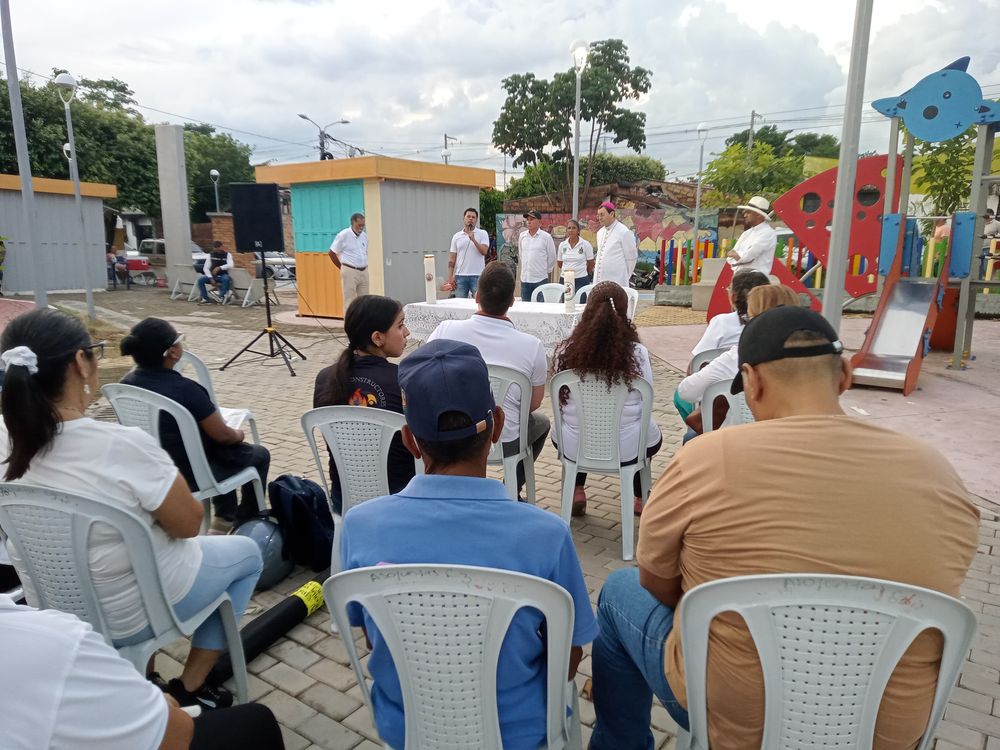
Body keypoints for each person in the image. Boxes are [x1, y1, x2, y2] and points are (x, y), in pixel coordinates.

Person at [589, 306, 979, 750]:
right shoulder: (939, 475)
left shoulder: (704, 459)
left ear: (752, 382)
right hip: (882, 731)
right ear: (846, 374)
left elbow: (655, 581)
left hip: (734, 717)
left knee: (620, 592)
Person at [339, 338, 598, 750]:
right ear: (496, 425)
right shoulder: (546, 535)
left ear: (409, 439)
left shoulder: (360, 525)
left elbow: (371, 636)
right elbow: (567, 658)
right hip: (519, 733)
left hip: (407, 728)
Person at [0, 309, 263, 710]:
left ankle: (149, 677)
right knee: (248, 555)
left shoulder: (7, 445)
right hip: (133, 613)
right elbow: (190, 525)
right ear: (79, 363)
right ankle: (190, 688)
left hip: (53, 604)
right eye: (95, 352)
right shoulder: (121, 445)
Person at [1, 593, 285, 749]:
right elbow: (176, 736)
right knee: (247, 557)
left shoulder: (12, 491)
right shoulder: (54, 643)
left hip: (62, 593)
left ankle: (155, 685)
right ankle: (191, 686)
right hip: (130, 607)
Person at [120, 318, 271, 533]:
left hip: (153, 468)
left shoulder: (125, 386)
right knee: (257, 454)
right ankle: (246, 521)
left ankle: (224, 515)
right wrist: (239, 433)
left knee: (218, 452)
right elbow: (223, 436)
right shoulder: (187, 390)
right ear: (172, 352)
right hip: (191, 475)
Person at [428, 262, 548, 498]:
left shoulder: (445, 331)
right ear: (512, 301)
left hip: (451, 435)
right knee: (541, 422)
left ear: (477, 296)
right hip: (505, 439)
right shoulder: (532, 346)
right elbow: (531, 405)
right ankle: (510, 489)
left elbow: (424, 376)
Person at [552, 281, 661, 518]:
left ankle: (576, 490)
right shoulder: (637, 354)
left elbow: (560, 404)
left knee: (572, 426)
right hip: (627, 448)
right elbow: (647, 400)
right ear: (624, 313)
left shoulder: (567, 351)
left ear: (588, 310)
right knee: (649, 433)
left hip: (574, 444)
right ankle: (640, 496)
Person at [313, 295, 414, 512]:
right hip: (400, 499)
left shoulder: (325, 378)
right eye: (401, 325)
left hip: (346, 499)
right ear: (378, 338)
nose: (407, 332)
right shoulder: (404, 380)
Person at [677, 284, 799, 434]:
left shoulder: (738, 356)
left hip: (734, 440)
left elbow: (686, 391)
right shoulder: (813, 358)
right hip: (792, 440)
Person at [689, 270, 770, 359]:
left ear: (734, 297)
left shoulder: (722, 322)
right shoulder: (777, 321)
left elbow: (698, 358)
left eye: (729, 289)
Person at [445, 207, 490, 298]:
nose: (470, 219)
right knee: (460, 303)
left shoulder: (482, 233)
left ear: (476, 220)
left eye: (473, 217)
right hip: (460, 276)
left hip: (477, 275)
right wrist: (450, 277)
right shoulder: (457, 236)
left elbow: (484, 251)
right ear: (464, 218)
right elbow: (452, 259)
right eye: (468, 216)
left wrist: (473, 240)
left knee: (479, 302)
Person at [725, 195, 778, 274]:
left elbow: (748, 256)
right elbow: (730, 258)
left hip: (756, 279)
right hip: (740, 277)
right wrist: (738, 256)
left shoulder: (768, 233)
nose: (745, 215)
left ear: (758, 215)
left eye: (748, 212)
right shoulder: (746, 233)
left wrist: (738, 255)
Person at [593, 201, 638, 289]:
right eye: (598, 215)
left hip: (617, 280)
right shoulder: (600, 232)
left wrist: (624, 276)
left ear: (612, 213)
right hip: (599, 280)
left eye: (602, 214)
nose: (599, 218)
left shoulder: (624, 232)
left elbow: (631, 258)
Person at [328, 212, 369, 310]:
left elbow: (364, 252)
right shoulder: (343, 235)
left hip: (364, 271)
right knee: (349, 300)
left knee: (365, 300)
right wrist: (341, 267)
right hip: (350, 270)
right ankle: (349, 324)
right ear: (352, 223)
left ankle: (363, 324)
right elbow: (332, 252)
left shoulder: (364, 236)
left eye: (363, 225)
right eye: (359, 225)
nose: (361, 227)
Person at [517, 210, 557, 301]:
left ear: (539, 222)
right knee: (526, 309)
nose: (529, 221)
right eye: (528, 219)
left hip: (540, 279)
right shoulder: (522, 236)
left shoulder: (546, 237)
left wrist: (545, 270)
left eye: (532, 219)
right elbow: (521, 255)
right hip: (525, 279)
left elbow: (552, 257)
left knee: (540, 309)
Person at [557, 218, 595, 292]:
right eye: (569, 228)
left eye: (573, 228)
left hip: (581, 280)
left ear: (578, 231)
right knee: (566, 302)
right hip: (565, 279)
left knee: (580, 302)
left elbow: (591, 263)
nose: (571, 230)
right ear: (566, 231)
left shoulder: (585, 244)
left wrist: (582, 272)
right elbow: (559, 263)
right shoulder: (562, 245)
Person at [197, 241, 234, 306]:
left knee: (226, 279)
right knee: (201, 280)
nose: (217, 250)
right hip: (212, 276)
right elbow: (206, 268)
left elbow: (231, 265)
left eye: (218, 248)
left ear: (221, 247)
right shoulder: (210, 255)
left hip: (223, 274)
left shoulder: (228, 255)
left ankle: (221, 297)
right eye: (216, 249)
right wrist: (210, 278)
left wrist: (220, 268)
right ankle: (205, 298)